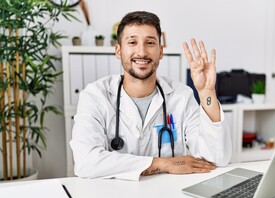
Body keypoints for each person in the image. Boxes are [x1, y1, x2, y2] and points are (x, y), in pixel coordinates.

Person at [70, 11, 232, 180]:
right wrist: (162, 163)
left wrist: (207, 92)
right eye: (132, 42)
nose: (142, 52)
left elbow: (215, 159)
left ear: (161, 51)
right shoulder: (95, 96)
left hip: (170, 197)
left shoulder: (181, 97)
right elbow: (85, 162)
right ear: (118, 51)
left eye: (150, 43)